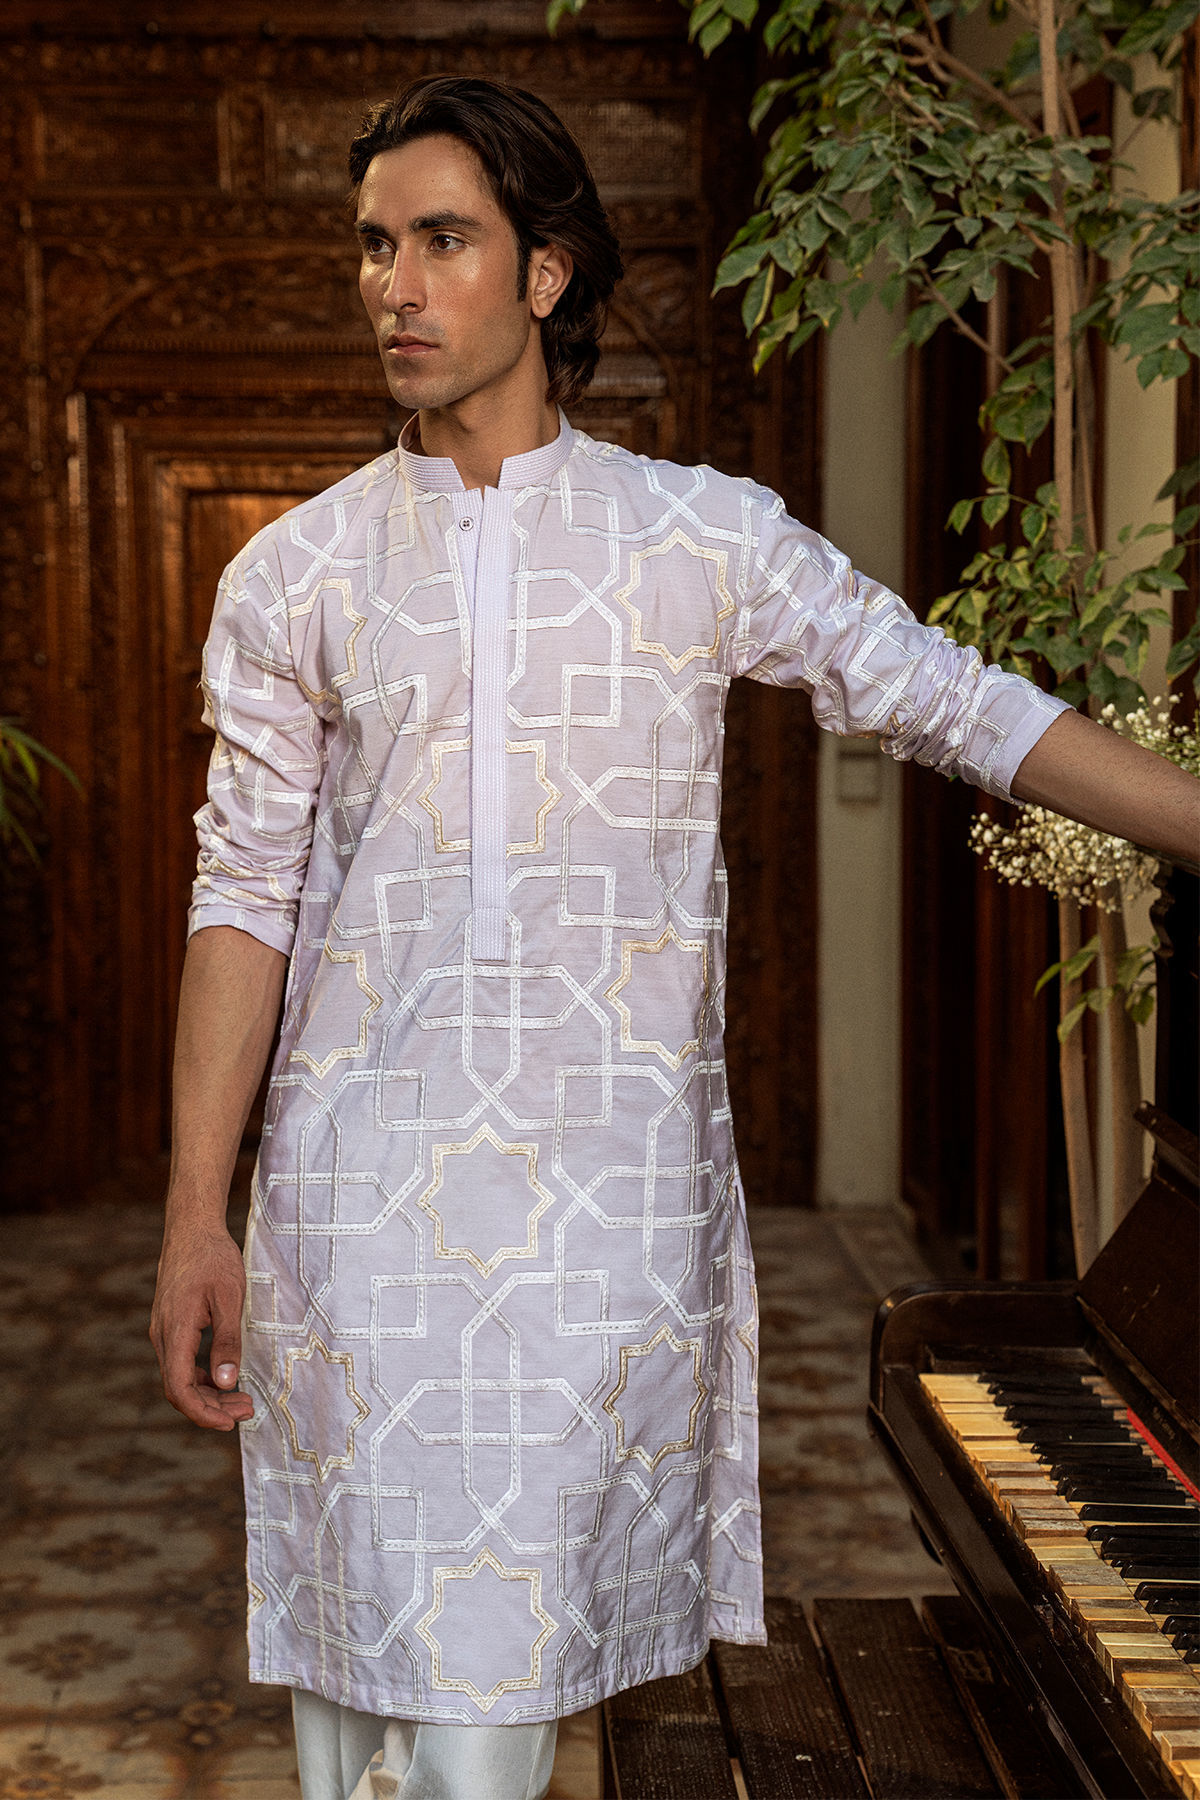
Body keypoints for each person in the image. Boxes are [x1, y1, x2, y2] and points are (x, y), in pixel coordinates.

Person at [149, 74, 1199, 1800]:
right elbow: (243, 894)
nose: (393, 286)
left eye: (441, 241)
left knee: (484, 1728)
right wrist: (203, 1210)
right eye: (372, 247)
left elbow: (952, 701)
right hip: (359, 1217)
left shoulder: (698, 537)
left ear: (547, 271)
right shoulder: (297, 576)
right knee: (351, 1713)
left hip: (600, 1216)